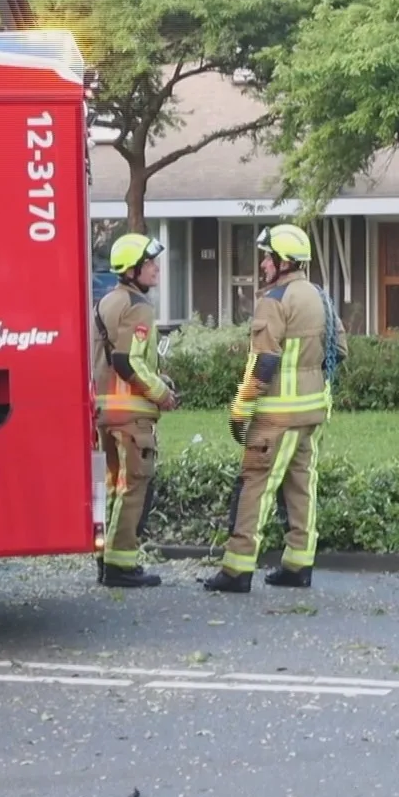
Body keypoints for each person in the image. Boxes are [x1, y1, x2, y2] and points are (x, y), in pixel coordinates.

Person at [204, 223, 346, 593]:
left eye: (268, 257)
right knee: (301, 486)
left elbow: (263, 361)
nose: (264, 263)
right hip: (312, 411)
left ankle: (236, 570)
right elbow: (340, 351)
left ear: (284, 262)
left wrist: (241, 407)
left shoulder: (274, 300)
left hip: (275, 415)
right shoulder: (320, 297)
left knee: (255, 485)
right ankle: (298, 564)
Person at [92, 232, 180, 588]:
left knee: (113, 486)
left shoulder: (105, 302)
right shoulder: (139, 305)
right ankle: (121, 565)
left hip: (102, 411)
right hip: (131, 415)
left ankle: (105, 559)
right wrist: (163, 394)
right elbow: (127, 361)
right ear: (132, 269)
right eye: (149, 263)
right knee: (134, 487)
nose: (156, 269)